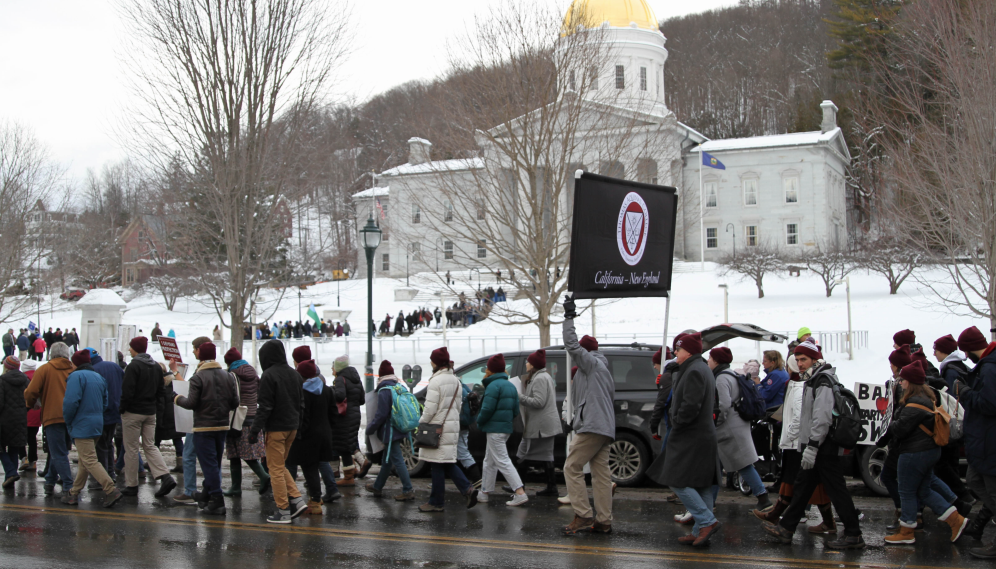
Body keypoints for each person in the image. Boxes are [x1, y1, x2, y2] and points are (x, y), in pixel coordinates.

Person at [761, 339, 865, 549]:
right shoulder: (814, 379)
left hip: (822, 447)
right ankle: (787, 528)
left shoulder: (822, 380)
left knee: (836, 490)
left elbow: (822, 418)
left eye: (804, 359)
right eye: (798, 360)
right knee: (803, 486)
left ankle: (853, 534)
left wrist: (813, 446)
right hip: (817, 446)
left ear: (815, 359)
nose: (800, 364)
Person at [884, 361, 969, 544]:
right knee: (924, 490)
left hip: (914, 453)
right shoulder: (926, 397)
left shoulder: (914, 404)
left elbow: (899, 429)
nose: (900, 382)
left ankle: (906, 531)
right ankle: (956, 520)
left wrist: (891, 422)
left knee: (906, 491)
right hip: (927, 451)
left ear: (910, 382)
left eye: (903, 379)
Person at [754, 354, 836, 534]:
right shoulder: (793, 384)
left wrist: (789, 437)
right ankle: (781, 518)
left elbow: (801, 418)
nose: (797, 366)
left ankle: (786, 522)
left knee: (803, 484)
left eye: (801, 361)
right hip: (798, 443)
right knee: (795, 482)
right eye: (796, 362)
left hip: (799, 443)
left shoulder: (800, 386)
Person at [659, 333, 722, 546]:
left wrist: (676, 421)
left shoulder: (695, 370)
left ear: (689, 351)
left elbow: (690, 406)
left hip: (691, 436)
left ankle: (707, 521)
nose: (675, 353)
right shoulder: (700, 367)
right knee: (701, 484)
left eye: (678, 349)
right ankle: (698, 530)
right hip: (701, 436)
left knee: (676, 480)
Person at [561, 295, 615, 535]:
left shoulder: (591, 364)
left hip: (593, 426)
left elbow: (572, 345)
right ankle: (603, 520)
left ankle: (582, 514)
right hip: (603, 427)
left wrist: (569, 317)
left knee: (571, 466)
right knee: (601, 474)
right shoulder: (601, 369)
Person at [173, 341, 239, 515]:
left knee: (208, 465)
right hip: (223, 426)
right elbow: (235, 402)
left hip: (203, 428)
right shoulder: (229, 376)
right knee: (214, 463)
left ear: (200, 356)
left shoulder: (198, 378)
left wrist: (176, 398)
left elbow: (191, 403)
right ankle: (205, 495)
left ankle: (217, 501)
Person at [248, 340, 309, 524]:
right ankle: (297, 500)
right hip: (292, 427)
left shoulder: (268, 375)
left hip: (275, 429)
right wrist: (299, 428)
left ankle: (283, 510)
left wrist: (254, 430)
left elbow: (265, 406)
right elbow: (301, 405)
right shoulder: (295, 374)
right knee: (280, 466)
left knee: (274, 469)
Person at [709, 347, 772, 512]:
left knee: (743, 465)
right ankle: (710, 503)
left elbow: (723, 405)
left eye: (710, 358)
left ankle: (763, 497)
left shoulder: (721, 378)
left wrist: (715, 423)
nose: (708, 361)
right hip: (737, 425)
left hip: (728, 429)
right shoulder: (732, 374)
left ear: (716, 361)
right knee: (717, 465)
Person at [418, 347, 477, 512]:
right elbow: (458, 407)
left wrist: (421, 423)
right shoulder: (456, 381)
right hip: (451, 427)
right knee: (444, 462)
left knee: (438, 463)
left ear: (436, 363)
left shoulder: (435, 382)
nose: (431, 363)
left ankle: (437, 502)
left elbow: (429, 409)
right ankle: (466, 489)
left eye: (432, 360)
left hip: (437, 428)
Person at [954, 326, 996, 558]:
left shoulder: (989, 368)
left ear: (969, 350)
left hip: (990, 441)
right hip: (984, 441)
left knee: (990, 488)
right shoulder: (988, 365)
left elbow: (990, 404)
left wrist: (966, 392)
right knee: (974, 479)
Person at [61, 350, 123, 507]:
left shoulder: (76, 377)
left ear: (76, 363)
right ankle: (74, 493)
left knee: (89, 460)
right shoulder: (98, 377)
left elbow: (70, 403)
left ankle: (110, 489)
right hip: (97, 423)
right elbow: (105, 401)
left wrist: (68, 420)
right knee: (85, 460)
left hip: (82, 425)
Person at [120, 337, 177, 498]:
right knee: (150, 445)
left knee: (131, 448)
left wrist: (122, 408)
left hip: (133, 412)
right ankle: (165, 476)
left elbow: (127, 391)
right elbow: (160, 391)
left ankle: (131, 485)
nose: (129, 350)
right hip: (150, 412)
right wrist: (157, 409)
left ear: (136, 349)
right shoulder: (155, 366)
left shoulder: (133, 366)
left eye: (131, 347)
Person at [285, 358, 338, 515]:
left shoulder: (302, 392)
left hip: (307, 438)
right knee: (314, 467)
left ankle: (313, 501)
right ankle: (315, 499)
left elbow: (303, 418)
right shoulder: (327, 390)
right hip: (324, 436)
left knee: (308, 469)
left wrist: (297, 434)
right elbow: (334, 415)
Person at [475, 353, 527, 506]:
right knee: (489, 460)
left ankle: (519, 492)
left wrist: (479, 421)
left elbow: (486, 409)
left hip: (494, 429)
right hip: (505, 428)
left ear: (490, 370)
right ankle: (484, 492)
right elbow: (515, 410)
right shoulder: (510, 385)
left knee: (502, 460)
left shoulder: (492, 386)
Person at [24, 342, 75, 496]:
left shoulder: (45, 369)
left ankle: (68, 485)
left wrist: (31, 404)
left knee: (58, 453)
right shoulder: (74, 369)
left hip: (52, 416)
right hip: (72, 417)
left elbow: (30, 392)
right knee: (60, 450)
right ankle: (50, 480)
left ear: (51, 353)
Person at [930, 334, 974, 505]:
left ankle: (961, 498)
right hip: (963, 421)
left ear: (944, 352)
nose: (934, 354)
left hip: (953, 423)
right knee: (951, 462)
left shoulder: (950, 370)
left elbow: (950, 399)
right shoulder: (960, 366)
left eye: (936, 350)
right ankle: (958, 499)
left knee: (944, 463)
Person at [222, 348, 270, 496]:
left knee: (237, 453)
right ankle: (236, 487)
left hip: (237, 418)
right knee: (243, 452)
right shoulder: (254, 374)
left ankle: (263, 476)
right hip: (252, 417)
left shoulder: (231, 375)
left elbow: (230, 397)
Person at [366, 360, 415, 501]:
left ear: (380, 376)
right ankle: (377, 486)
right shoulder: (397, 387)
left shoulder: (384, 390)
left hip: (390, 431)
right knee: (387, 460)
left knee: (398, 460)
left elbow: (381, 414)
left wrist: (371, 428)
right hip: (399, 427)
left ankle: (408, 489)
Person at [516, 349, 562, 497]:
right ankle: (550, 486)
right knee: (544, 455)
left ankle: (519, 487)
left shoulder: (540, 378)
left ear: (534, 365)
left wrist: (520, 397)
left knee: (523, 454)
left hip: (540, 426)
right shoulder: (542, 376)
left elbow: (539, 402)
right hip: (543, 425)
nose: (526, 363)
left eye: (528, 362)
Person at [172, 336, 210, 504]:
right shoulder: (218, 370)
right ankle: (212, 490)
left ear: (200, 350)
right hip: (214, 420)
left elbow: (190, 391)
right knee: (210, 457)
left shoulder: (201, 371)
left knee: (189, 455)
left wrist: (175, 372)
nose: (193, 352)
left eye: (195, 349)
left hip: (198, 420)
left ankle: (190, 491)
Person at [331, 354, 367, 485]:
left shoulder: (341, 379)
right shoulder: (356, 378)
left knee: (343, 446)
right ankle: (352, 472)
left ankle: (348, 477)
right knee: (348, 443)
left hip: (344, 416)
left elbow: (340, 395)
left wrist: (331, 391)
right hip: (355, 415)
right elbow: (362, 400)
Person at [87, 348, 124, 478]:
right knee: (109, 443)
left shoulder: (93, 371)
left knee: (101, 445)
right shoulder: (114, 366)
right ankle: (110, 472)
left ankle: (103, 476)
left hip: (102, 411)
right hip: (116, 411)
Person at [0, 356, 28, 489]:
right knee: (14, 448)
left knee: (1, 448)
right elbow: (29, 398)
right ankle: (9, 479)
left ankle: (11, 472)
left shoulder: (2, 381)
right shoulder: (25, 380)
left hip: (4, 420)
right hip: (21, 419)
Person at [20, 360, 40, 473]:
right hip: (36, 411)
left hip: (23, 412)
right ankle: (33, 462)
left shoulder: (21, 379)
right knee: (32, 438)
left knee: (21, 438)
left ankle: (24, 458)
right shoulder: (38, 377)